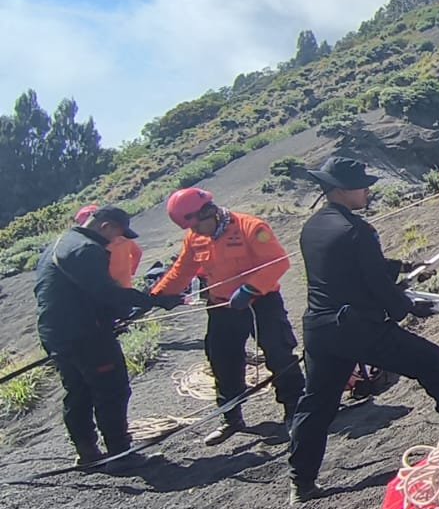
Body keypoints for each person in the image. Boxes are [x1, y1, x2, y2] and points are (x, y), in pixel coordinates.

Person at [288, 156, 439, 505]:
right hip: (356, 327)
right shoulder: (358, 231)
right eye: (362, 187)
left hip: (320, 328)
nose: (367, 192)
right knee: (430, 359)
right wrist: (408, 308)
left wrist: (404, 267)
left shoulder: (313, 227)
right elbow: (374, 280)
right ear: (341, 190)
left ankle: (301, 481)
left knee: (317, 402)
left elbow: (351, 267)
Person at [151, 189, 307, 446]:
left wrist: (250, 289)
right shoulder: (195, 238)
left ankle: (295, 410)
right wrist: (157, 296)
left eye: (196, 225)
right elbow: (182, 270)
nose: (195, 231)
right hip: (222, 307)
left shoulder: (251, 227)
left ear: (209, 212)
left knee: (279, 353)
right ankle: (231, 417)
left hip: (262, 303)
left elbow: (278, 262)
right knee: (222, 361)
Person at [34, 207, 184, 466]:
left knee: (78, 391)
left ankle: (87, 453)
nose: (117, 240)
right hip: (87, 335)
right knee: (112, 390)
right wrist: (154, 300)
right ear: (106, 226)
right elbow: (106, 293)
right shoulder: (87, 249)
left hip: (55, 334)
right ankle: (120, 454)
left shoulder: (61, 243)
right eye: (118, 233)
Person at [74, 204, 143, 288]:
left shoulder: (93, 247)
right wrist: (131, 272)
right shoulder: (123, 237)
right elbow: (137, 253)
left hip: (107, 289)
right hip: (126, 286)